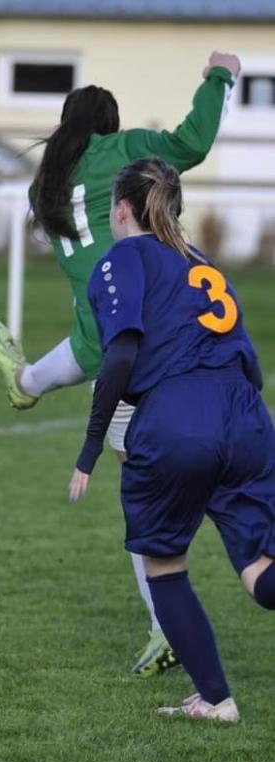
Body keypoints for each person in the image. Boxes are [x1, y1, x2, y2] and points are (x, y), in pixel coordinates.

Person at [0, 50, 240, 677]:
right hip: (139, 333)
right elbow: (192, 142)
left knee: (95, 389)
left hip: (102, 329)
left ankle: (22, 382)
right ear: (110, 123)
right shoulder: (122, 152)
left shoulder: (45, 182)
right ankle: (165, 625)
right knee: (145, 480)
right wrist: (220, 76)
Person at [68, 156, 275, 722]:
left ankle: (216, 699)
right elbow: (252, 365)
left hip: (178, 416)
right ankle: (212, 699)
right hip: (246, 411)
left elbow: (122, 354)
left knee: (165, 566)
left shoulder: (121, 258)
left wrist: (89, 450)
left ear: (123, 208)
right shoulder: (203, 262)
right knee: (261, 573)